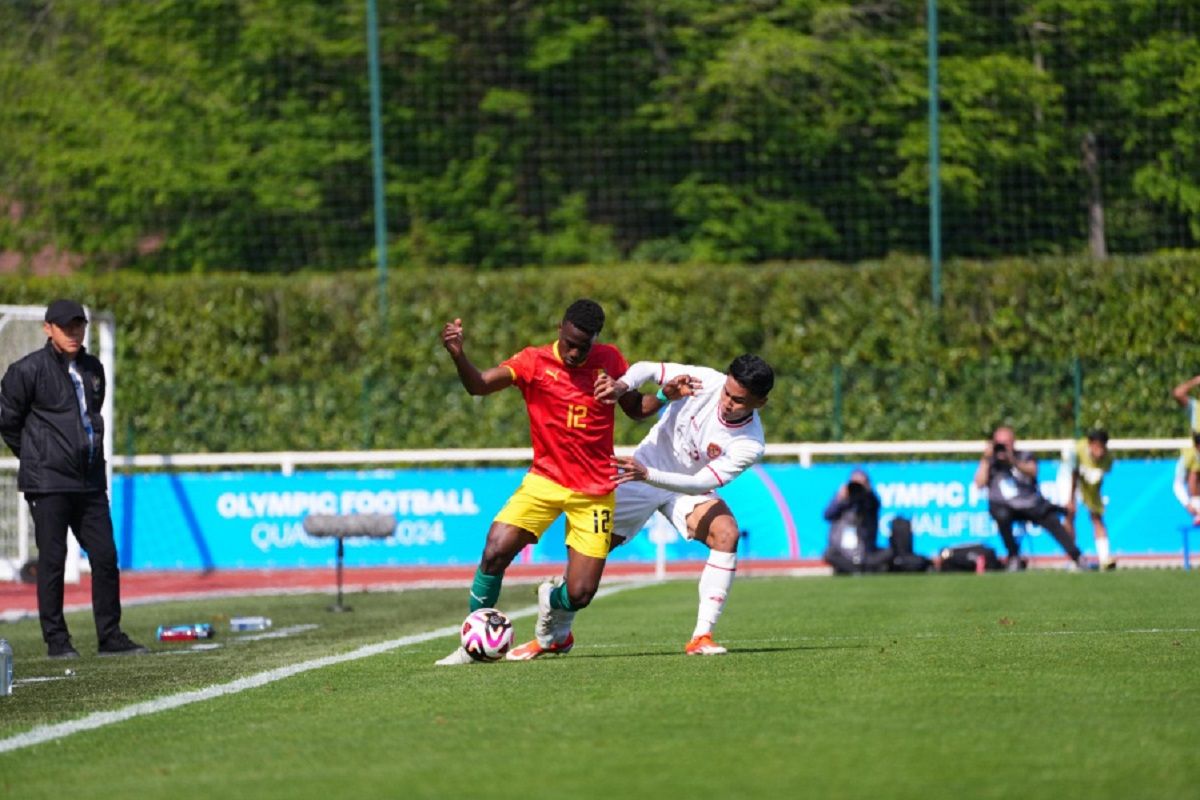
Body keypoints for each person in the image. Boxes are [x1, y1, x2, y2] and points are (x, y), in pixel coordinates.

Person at [435, 299, 657, 665]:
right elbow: (478, 386)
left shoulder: (611, 360)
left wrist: (665, 395)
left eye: (582, 346)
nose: (573, 352)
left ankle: (551, 599)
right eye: (569, 342)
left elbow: (635, 409)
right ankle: (471, 645)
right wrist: (458, 354)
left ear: (596, 340)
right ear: (560, 328)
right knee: (495, 550)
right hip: (545, 481)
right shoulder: (533, 362)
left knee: (581, 593)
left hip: (594, 492)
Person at [513, 354, 775, 658]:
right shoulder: (705, 381)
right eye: (728, 392)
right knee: (580, 580)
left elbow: (702, 483)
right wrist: (621, 385)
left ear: (760, 403)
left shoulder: (750, 443)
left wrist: (649, 475)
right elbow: (648, 369)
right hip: (640, 474)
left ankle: (701, 636)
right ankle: (555, 625)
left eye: (739, 400)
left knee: (727, 534)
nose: (728, 402)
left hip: (681, 486)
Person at [0, 299, 148, 658]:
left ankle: (110, 637)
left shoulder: (94, 369)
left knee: (104, 555)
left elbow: (90, 421)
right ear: (48, 328)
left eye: (79, 326)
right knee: (52, 560)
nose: (74, 333)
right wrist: (38, 458)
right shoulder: (26, 370)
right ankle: (57, 641)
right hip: (47, 483)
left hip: (90, 482)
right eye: (67, 327)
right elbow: (7, 422)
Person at [973, 426, 1088, 571]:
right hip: (1004, 507)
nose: (1003, 446)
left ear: (1013, 442)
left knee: (1052, 519)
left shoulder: (1024, 456)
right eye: (999, 443)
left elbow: (1032, 471)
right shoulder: (990, 462)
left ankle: (1077, 556)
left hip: (1030, 504)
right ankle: (1013, 556)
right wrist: (986, 459)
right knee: (1001, 515)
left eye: (1006, 442)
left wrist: (1012, 460)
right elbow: (979, 483)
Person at [1063, 429, 1116, 570]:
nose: (1099, 450)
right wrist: (1071, 499)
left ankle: (1105, 558)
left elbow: (1099, 480)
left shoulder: (1108, 458)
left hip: (1090, 483)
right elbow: (1073, 475)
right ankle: (1074, 559)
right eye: (1096, 446)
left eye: (1102, 447)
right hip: (1069, 479)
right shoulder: (1077, 451)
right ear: (1090, 444)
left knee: (1096, 517)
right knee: (1070, 515)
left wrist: (1095, 502)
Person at [822, 468, 891, 575]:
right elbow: (827, 515)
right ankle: (858, 569)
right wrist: (840, 499)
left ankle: (855, 568)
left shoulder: (870, 501)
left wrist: (867, 492)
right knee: (829, 554)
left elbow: (873, 505)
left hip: (865, 551)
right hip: (842, 551)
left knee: (889, 553)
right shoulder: (842, 501)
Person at [1172, 432, 1200, 526]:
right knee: (1194, 473)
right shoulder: (1187, 459)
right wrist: (1187, 504)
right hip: (1195, 502)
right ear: (1197, 446)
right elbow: (1178, 484)